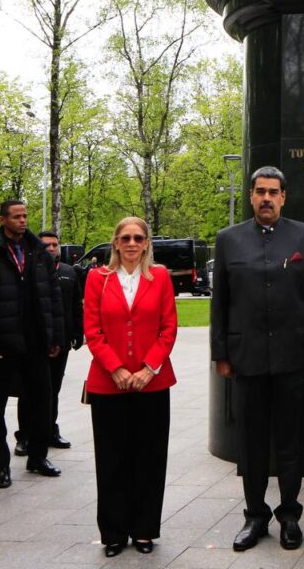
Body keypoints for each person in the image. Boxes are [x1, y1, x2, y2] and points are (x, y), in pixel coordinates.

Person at [210, 166, 304, 553]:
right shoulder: (228, 240)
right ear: (250, 196)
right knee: (252, 443)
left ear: (283, 197)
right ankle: (255, 516)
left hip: (294, 358)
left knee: (290, 441)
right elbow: (220, 303)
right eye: (260, 191)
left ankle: (290, 515)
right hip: (247, 360)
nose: (266, 198)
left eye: (273, 192)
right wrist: (221, 354)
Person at [83, 217, 177, 557]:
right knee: (111, 460)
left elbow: (168, 328)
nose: (132, 243)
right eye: (125, 238)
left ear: (147, 242)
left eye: (138, 238)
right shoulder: (98, 278)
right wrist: (116, 368)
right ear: (116, 242)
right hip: (108, 384)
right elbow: (92, 330)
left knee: (149, 459)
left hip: (152, 383)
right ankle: (113, 533)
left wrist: (149, 368)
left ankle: (144, 530)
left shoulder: (160, 276)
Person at [0, 199, 64, 488]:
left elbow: (53, 297)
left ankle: (38, 457)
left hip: (35, 341)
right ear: (2, 220)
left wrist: (55, 336)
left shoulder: (38, 252)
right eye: (16, 216)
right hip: (3, 343)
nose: (23, 220)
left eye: (25, 216)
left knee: (41, 402)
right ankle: (0, 466)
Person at [15, 230, 83, 455]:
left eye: (55, 244)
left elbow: (76, 305)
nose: (52, 248)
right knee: (28, 391)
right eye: (47, 245)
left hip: (61, 341)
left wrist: (78, 332)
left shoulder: (69, 272)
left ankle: (50, 430)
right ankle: (25, 436)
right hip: (34, 343)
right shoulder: (27, 271)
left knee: (53, 390)